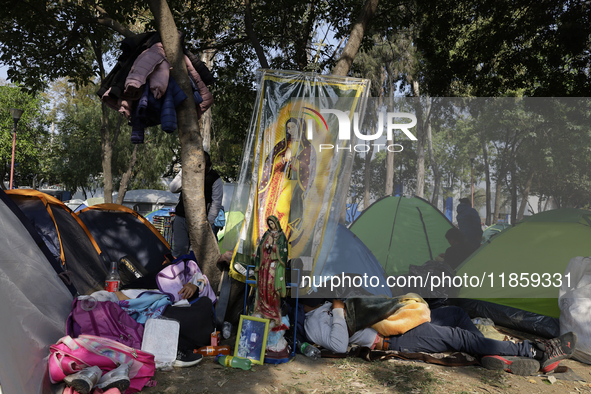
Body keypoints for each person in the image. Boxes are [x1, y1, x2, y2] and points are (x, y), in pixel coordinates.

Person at [304, 295, 577, 376]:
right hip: (395, 337)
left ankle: (487, 352)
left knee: (457, 313)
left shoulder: (322, 305)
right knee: (460, 337)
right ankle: (536, 351)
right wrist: (339, 310)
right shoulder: (311, 325)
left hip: (399, 320)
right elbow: (339, 346)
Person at [169, 151, 223, 258]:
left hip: (200, 222)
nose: (201, 170)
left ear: (209, 164)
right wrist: (188, 175)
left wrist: (207, 223)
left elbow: (216, 203)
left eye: (204, 167)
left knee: (199, 254)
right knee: (179, 249)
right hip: (181, 217)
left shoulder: (215, 179)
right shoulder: (186, 171)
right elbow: (173, 188)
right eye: (199, 166)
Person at [253, 215, 288, 327]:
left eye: (273, 223)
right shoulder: (267, 234)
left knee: (271, 287)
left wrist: (274, 247)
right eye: (270, 224)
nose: (271, 226)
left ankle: (272, 310)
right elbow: (261, 248)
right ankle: (261, 308)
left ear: (276, 223)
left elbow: (283, 252)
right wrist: (265, 246)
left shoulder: (281, 236)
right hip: (265, 265)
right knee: (263, 286)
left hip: (274, 266)